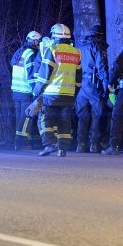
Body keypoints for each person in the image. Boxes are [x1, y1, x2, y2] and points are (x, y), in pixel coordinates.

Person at [33, 23, 82, 157]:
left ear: (54, 36)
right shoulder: (76, 52)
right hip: (69, 95)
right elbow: (78, 77)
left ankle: (49, 145)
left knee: (45, 118)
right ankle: (62, 149)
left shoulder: (53, 50)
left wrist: (37, 91)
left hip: (51, 94)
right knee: (64, 121)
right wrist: (75, 92)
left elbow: (44, 74)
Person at [75, 24, 110, 153]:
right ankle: (94, 144)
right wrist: (107, 86)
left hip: (82, 83)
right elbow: (102, 67)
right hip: (94, 84)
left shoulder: (80, 47)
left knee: (83, 114)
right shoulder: (98, 46)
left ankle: (80, 144)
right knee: (97, 113)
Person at [10, 31, 42, 150]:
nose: (39, 43)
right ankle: (20, 143)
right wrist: (36, 91)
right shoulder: (31, 53)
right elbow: (31, 75)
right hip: (25, 90)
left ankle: (20, 141)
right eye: (38, 41)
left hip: (16, 90)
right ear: (34, 41)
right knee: (26, 117)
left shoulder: (20, 51)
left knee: (20, 117)